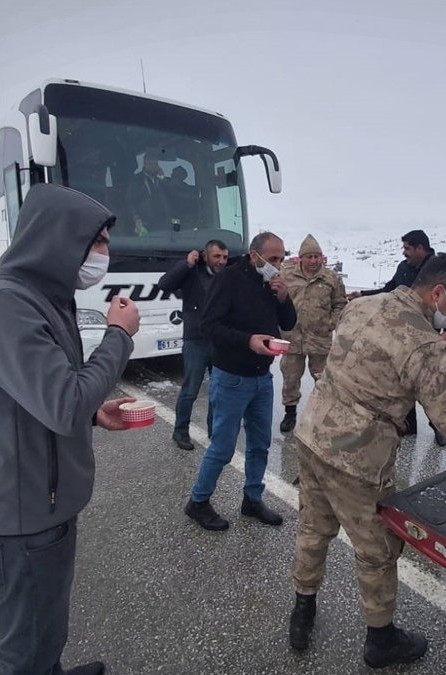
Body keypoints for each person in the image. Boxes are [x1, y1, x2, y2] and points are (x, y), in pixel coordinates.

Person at [0, 185, 142, 675]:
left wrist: (95, 412)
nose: (104, 255)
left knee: (43, 633)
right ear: (57, 238)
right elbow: (63, 402)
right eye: (96, 242)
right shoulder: (4, 304)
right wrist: (119, 336)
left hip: (37, 509)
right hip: (15, 523)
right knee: (26, 651)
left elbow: (35, 393)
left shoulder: (39, 297)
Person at [288, 253, 446, 668]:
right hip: (357, 458)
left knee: (312, 527)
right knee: (376, 550)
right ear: (438, 292)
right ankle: (381, 639)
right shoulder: (425, 345)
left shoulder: (363, 304)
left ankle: (302, 610)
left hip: (312, 433)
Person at [184, 232, 297, 531]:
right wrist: (248, 341)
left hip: (262, 376)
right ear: (254, 255)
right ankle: (198, 502)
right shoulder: (230, 279)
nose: (277, 265)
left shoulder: (271, 284)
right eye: (272, 259)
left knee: (260, 444)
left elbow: (288, 323)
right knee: (222, 446)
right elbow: (209, 326)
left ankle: (252, 498)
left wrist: (284, 297)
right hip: (232, 376)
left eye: (281, 259)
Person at [348, 229, 446, 445]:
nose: (403, 252)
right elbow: (390, 289)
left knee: (430, 385)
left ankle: (439, 427)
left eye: (407, 248)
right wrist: (363, 295)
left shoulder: (439, 270)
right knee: (403, 382)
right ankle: (408, 425)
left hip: (427, 334)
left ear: (420, 248)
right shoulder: (404, 267)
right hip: (401, 334)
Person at [158, 239, 231, 450]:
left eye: (225, 257)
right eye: (217, 256)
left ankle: (214, 431)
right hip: (195, 341)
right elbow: (164, 284)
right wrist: (186, 264)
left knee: (218, 390)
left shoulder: (227, 275)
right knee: (190, 389)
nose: (221, 261)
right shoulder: (192, 273)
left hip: (219, 342)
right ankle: (180, 431)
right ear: (205, 255)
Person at [278, 234, 347, 433]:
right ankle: (290, 414)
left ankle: (324, 416)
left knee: (324, 379)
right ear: (301, 258)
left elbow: (340, 304)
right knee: (290, 379)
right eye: (309, 256)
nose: (314, 260)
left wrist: (331, 323)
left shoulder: (330, 278)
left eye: (317, 256)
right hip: (292, 338)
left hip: (320, 338)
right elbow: (277, 299)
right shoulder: (287, 275)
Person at [125, 152, 171, 236]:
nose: (153, 166)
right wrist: (136, 218)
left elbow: (172, 196)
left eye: (155, 163)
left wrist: (163, 178)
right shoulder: (136, 180)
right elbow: (130, 202)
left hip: (163, 224)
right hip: (145, 224)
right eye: (150, 163)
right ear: (144, 164)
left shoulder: (161, 181)